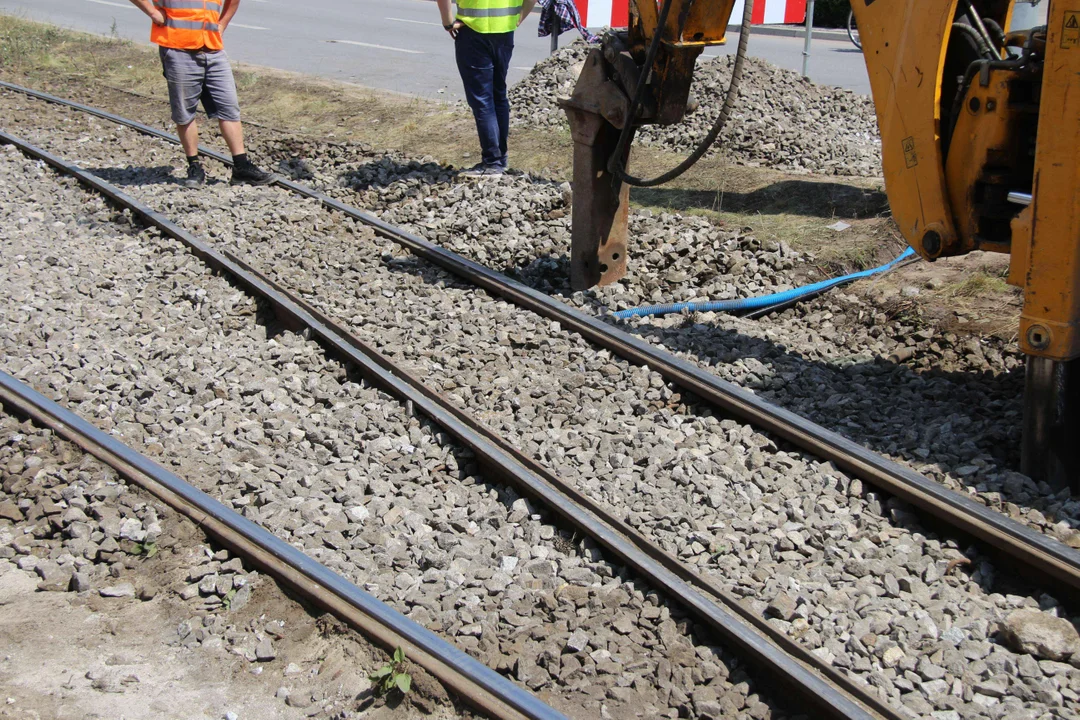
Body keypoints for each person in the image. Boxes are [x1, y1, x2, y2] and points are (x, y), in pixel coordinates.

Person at [127, 0, 275, 188]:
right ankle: (194, 166)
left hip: (213, 48)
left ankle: (241, 167)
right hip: (177, 46)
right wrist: (153, 13)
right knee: (184, 112)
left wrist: (221, 25)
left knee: (229, 107)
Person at [438, 0, 537, 176]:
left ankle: (492, 162)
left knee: (483, 100)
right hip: (505, 31)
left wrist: (448, 22)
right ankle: (500, 158)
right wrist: (518, 18)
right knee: (498, 95)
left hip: (473, 32)